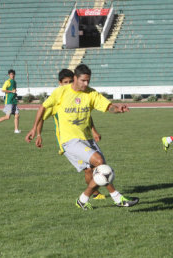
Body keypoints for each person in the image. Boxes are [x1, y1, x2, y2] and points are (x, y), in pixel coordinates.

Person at [25, 64, 139, 210]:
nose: (86, 84)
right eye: (83, 81)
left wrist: (118, 109)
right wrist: (35, 129)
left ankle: (82, 200)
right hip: (69, 141)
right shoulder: (61, 92)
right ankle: (118, 199)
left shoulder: (91, 94)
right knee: (99, 162)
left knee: (100, 167)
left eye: (88, 81)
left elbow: (108, 106)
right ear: (75, 78)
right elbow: (43, 107)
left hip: (86, 138)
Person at [36, 68, 105, 200]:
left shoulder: (77, 95)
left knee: (92, 166)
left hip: (83, 138)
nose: (68, 84)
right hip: (67, 142)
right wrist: (38, 135)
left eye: (70, 81)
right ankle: (94, 194)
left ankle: (94, 193)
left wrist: (94, 130)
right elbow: (41, 118)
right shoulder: (57, 100)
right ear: (60, 83)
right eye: (65, 82)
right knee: (88, 169)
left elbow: (86, 117)